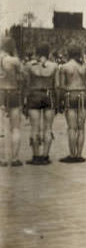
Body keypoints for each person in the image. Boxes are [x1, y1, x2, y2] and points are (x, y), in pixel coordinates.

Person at [25, 45, 57, 165]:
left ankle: (36, 156)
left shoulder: (29, 65)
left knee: (34, 128)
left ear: (36, 53)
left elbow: (26, 84)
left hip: (34, 95)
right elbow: (57, 85)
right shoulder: (54, 66)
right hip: (49, 95)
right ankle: (45, 156)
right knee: (48, 128)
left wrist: (25, 100)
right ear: (48, 53)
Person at [57, 46, 86, 163]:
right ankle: (79, 154)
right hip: (83, 96)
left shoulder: (65, 67)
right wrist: (84, 57)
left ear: (68, 54)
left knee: (72, 127)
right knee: (81, 127)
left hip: (69, 95)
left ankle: (72, 155)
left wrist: (59, 101)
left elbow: (61, 86)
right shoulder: (85, 67)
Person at [0, 37, 24, 167]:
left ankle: (2, 159)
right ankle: (15, 158)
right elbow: (22, 75)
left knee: (1, 129)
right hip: (13, 92)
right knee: (15, 128)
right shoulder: (14, 60)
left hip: (0, 93)